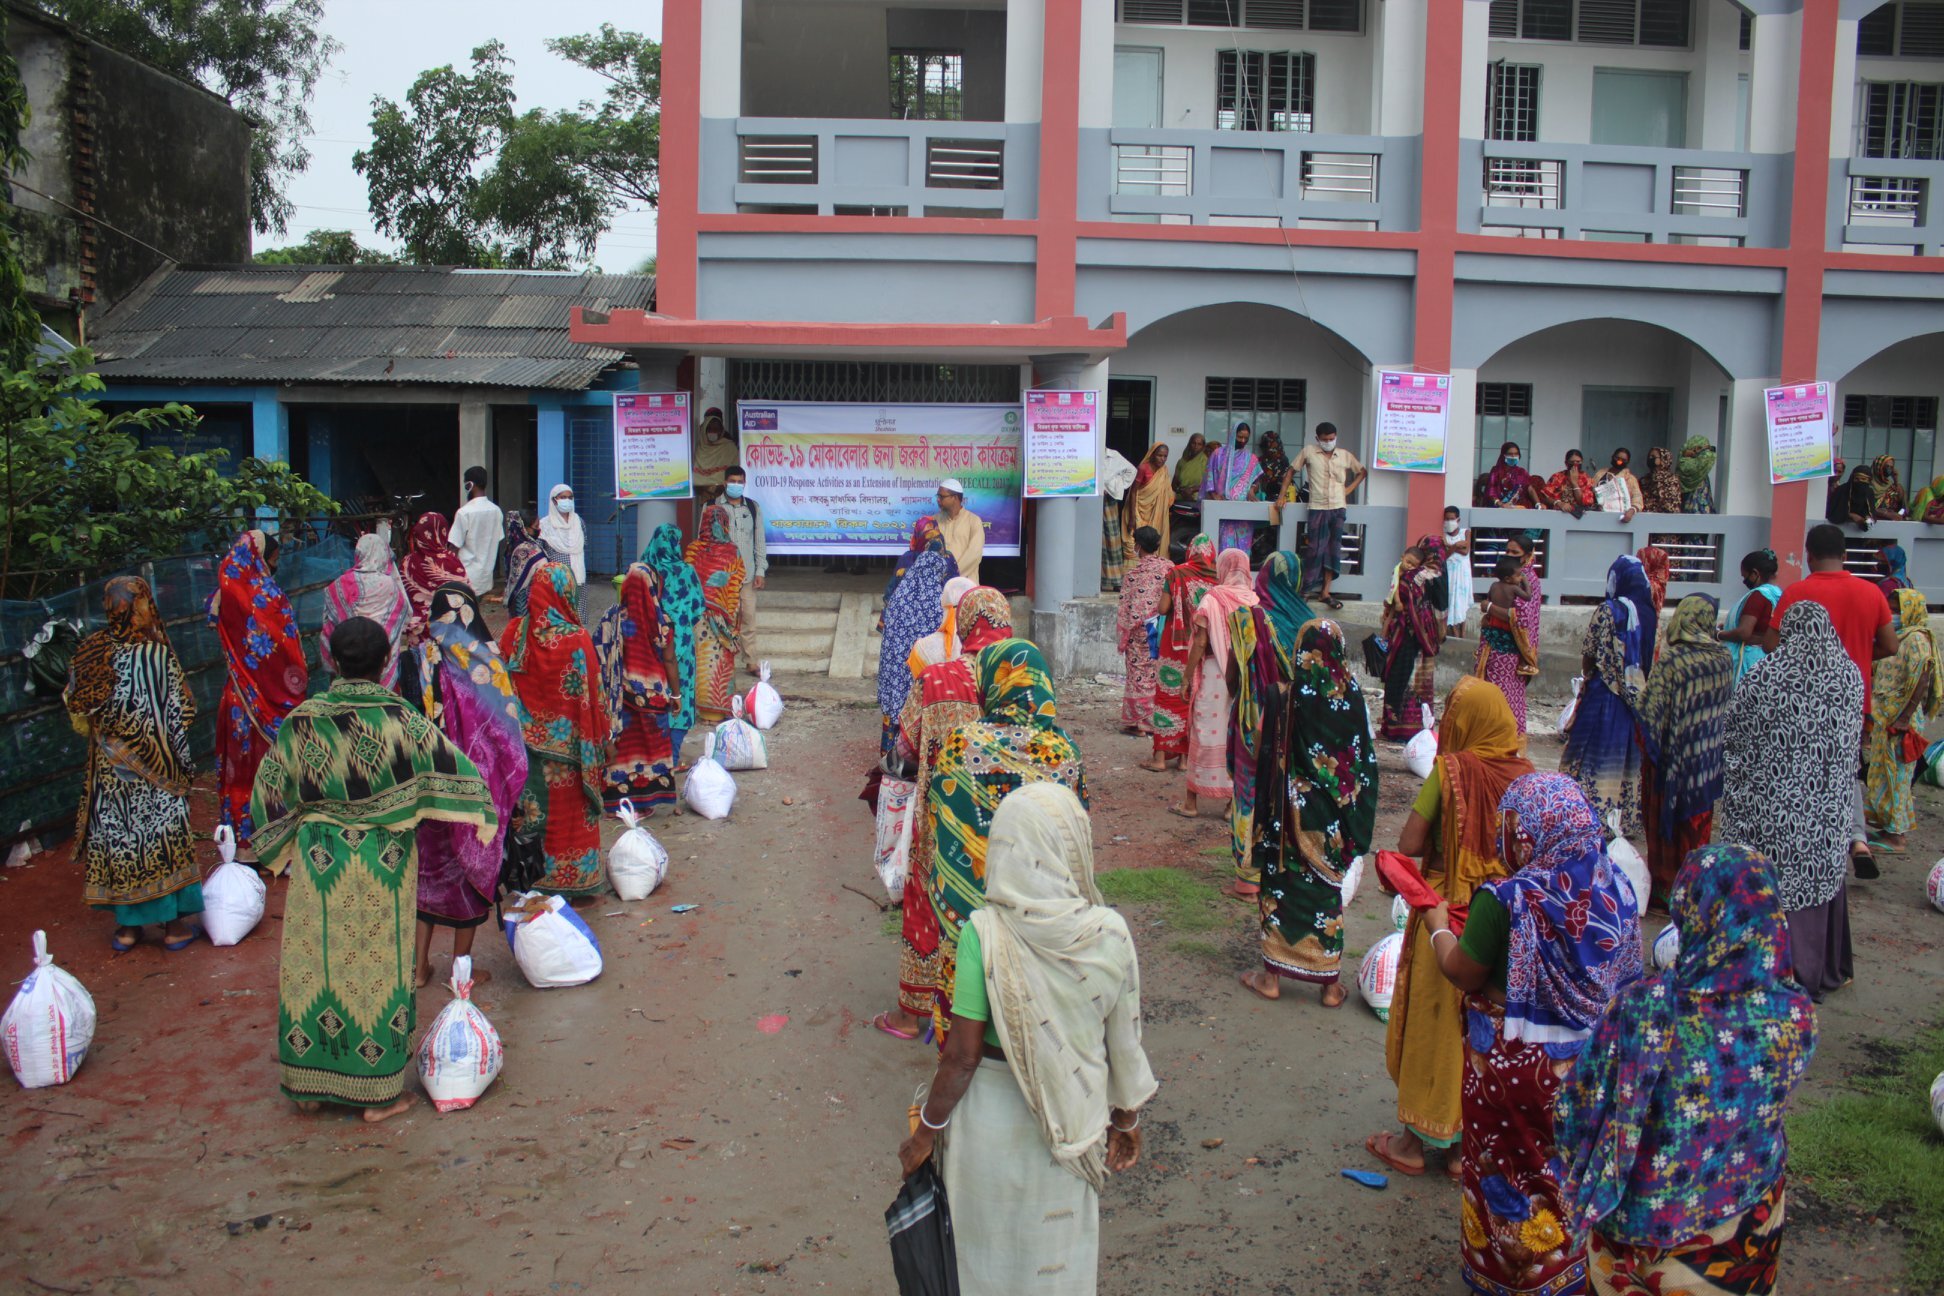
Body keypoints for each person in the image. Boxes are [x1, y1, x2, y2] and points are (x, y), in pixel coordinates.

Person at [897, 783, 1156, 1296]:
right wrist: (1125, 1118)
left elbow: (962, 1058)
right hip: (1071, 1124)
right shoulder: (1109, 933)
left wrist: (925, 1133)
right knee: (1055, 1265)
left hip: (988, 1128)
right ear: (1071, 847)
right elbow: (1123, 1043)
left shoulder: (984, 933)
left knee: (983, 1262)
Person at [252, 616, 498, 1123]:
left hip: (320, 864)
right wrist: (482, 811)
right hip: (382, 863)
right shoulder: (398, 718)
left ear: (331, 661)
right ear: (387, 660)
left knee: (314, 963)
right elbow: (453, 769)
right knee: (377, 969)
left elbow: (268, 792)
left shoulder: (303, 720)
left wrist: (277, 845)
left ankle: (309, 1084)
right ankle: (378, 1096)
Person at [1556, 845, 1815, 1296]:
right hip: (1746, 1225)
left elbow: (1576, 1112)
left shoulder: (1643, 1009)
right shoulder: (1795, 1013)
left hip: (1640, 1235)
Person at [1427, 773, 1642, 1296]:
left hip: (1508, 1070)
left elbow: (1463, 972)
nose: (1508, 834)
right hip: (1584, 1068)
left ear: (1531, 833)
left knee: (1501, 1169)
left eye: (1513, 825)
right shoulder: (1617, 892)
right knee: (1562, 1171)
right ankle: (1566, 1272)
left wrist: (1436, 924)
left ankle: (1505, 1274)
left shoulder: (1506, 899)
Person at [1368, 678, 1533, 1178]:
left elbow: (1411, 841)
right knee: (1481, 1030)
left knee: (1435, 1028)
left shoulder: (1451, 770)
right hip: (1502, 920)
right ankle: (1466, 1150)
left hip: (1446, 912)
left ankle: (1413, 1143)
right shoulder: (1526, 775)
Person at [927, 639, 1086, 1041]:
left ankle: (963, 1086)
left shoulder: (962, 746)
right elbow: (1076, 830)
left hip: (972, 921)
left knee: (965, 1032)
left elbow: (939, 821)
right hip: (1043, 918)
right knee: (1039, 1026)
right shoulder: (1063, 753)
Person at [877, 587, 1016, 1041]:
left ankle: (912, 1013)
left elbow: (906, 743)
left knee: (930, 905)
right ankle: (988, 1012)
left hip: (942, 820)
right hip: (1008, 826)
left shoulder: (937, 679)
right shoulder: (1021, 674)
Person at [1719, 601, 1864, 1000]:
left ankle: (1768, 965)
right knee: (1818, 877)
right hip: (1827, 808)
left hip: (1771, 809)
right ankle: (1818, 967)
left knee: (1773, 879)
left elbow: (1735, 737)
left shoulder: (1765, 676)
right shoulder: (1850, 677)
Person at [1236, 618, 1375, 1005]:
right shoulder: (1353, 697)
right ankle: (1330, 986)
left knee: (1281, 889)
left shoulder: (1285, 696)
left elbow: (1259, 740)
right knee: (1325, 891)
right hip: (1332, 819)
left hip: (1286, 815)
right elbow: (1364, 759)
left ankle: (1272, 979)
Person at [65, 576, 203, 953]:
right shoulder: (158, 655)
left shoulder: (92, 652)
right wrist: (178, 761)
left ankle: (127, 930)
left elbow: (77, 707)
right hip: (160, 772)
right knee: (163, 837)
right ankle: (174, 928)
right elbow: (181, 710)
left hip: (112, 772)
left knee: (122, 840)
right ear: (144, 607)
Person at [412, 583, 528, 986]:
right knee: (472, 873)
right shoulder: (487, 662)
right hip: (477, 787)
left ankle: (420, 966)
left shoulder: (424, 658)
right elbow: (507, 729)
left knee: (429, 871)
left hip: (429, 784)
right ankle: (461, 969)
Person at [1770, 523, 1897, 878]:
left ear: (1808, 555)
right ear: (1844, 556)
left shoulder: (1797, 592)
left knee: (1799, 770)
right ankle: (1857, 840)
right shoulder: (1871, 593)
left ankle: (1803, 843)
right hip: (1853, 702)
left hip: (1801, 702)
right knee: (1846, 770)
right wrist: (1853, 655)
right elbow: (1890, 645)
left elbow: (1770, 644)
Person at [499, 562, 608, 898]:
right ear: (566, 593)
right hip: (573, 755)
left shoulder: (514, 634)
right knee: (571, 818)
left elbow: (500, 688)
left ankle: (531, 880)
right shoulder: (578, 641)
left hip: (525, 754)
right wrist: (602, 740)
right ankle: (576, 881)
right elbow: (596, 695)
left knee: (533, 815)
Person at [209, 530, 307, 864]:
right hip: (269, 703)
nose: (275, 566)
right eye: (274, 560)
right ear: (260, 559)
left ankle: (241, 847)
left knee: (240, 773)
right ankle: (276, 845)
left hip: (237, 698)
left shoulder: (223, 595)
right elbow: (287, 649)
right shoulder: (269, 596)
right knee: (272, 772)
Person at [1222, 549, 1315, 899]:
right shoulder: (1310, 624)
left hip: (1255, 719)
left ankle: (1248, 878)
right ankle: (1288, 868)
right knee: (1288, 794)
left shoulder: (1250, 620)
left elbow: (1233, 672)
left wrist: (1242, 698)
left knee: (1249, 793)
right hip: (1297, 726)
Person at [1636, 595, 1733, 910]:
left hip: (1670, 762)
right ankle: (1693, 889)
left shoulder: (1674, 659)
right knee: (1697, 826)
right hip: (1705, 762)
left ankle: (1666, 889)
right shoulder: (1723, 658)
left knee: (1666, 827)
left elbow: (1648, 711)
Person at [1561, 554, 1654, 838]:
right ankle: (1623, 820)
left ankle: (1587, 814)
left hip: (1604, 695)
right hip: (1637, 699)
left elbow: (1590, 653)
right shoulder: (1650, 613)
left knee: (1592, 753)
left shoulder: (1608, 610)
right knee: (1627, 756)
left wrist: (1588, 677)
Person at [1175, 547, 1256, 818]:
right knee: (1235, 737)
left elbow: (1200, 641)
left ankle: (1191, 803)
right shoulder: (1254, 600)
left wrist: (1186, 678)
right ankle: (1232, 806)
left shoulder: (1213, 598)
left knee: (1204, 733)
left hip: (1213, 675)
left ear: (1222, 568)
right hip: (1242, 679)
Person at [596, 563, 683, 815]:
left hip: (621, 697)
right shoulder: (663, 623)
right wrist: (676, 695)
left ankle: (617, 804)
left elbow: (599, 655)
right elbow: (669, 660)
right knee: (651, 748)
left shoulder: (612, 618)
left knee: (624, 749)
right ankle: (646, 802)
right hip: (654, 697)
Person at [1865, 588, 1941, 854]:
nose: (1892, 615)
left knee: (1897, 776)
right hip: (1886, 717)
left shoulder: (1917, 639)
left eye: (1896, 610)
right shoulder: (1896, 636)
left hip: (1900, 719)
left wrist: (1905, 717)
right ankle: (1887, 827)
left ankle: (1897, 837)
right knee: (1884, 774)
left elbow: (1922, 676)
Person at [1141, 533, 1217, 773]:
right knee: (1190, 700)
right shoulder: (1217, 579)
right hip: (1201, 646)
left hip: (1173, 645)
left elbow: (1163, 609)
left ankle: (1160, 758)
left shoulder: (1176, 574)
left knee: (1167, 698)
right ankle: (1184, 760)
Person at [877, 546, 951, 758]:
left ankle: (889, 757)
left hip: (895, 672)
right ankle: (915, 760)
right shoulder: (937, 603)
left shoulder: (899, 598)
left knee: (895, 709)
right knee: (917, 713)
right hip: (920, 672)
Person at [644, 522, 705, 762]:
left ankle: (652, 754)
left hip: (649, 643)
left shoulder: (644, 571)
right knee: (681, 693)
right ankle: (674, 756)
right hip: (681, 643)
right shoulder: (686, 572)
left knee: (652, 693)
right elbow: (698, 608)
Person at [1290, 421, 1366, 609]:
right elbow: (1291, 471)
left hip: (1338, 507)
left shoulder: (1345, 455)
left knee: (1334, 549)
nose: (1329, 442)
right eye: (1325, 440)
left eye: (1332, 439)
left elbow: (1362, 472)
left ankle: (1325, 592)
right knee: (1315, 549)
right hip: (1317, 507)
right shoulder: (1308, 452)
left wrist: (1348, 489)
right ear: (1318, 439)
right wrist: (1283, 496)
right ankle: (1306, 590)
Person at [321, 533, 409, 691]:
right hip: (379, 665)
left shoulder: (338, 584)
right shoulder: (389, 584)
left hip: (346, 662)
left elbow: (328, 627)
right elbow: (402, 619)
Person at [1475, 532, 1543, 734]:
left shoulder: (1526, 579)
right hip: (1491, 646)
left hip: (1511, 651)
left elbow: (1522, 619)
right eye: (1508, 551)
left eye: (1516, 552)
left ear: (1529, 555)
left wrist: (1489, 608)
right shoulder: (1502, 578)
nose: (1511, 555)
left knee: (1505, 696)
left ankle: (1506, 743)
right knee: (1488, 694)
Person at [685, 504, 747, 725]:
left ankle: (701, 711)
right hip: (722, 620)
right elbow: (737, 582)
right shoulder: (733, 551)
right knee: (719, 665)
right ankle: (719, 710)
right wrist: (731, 619)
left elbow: (688, 582)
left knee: (701, 663)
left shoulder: (693, 549)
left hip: (698, 618)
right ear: (726, 523)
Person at [1378, 540, 1446, 741]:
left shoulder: (1418, 577)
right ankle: (1410, 729)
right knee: (1406, 680)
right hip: (1412, 636)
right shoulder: (1419, 578)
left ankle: (1394, 726)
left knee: (1398, 680)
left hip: (1404, 635)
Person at [1116, 525, 1170, 735]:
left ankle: (1138, 722)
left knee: (1137, 672)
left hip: (1136, 631)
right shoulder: (1168, 568)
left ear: (1138, 546)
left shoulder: (1132, 574)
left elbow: (1125, 606)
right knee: (1154, 672)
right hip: (1157, 628)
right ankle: (1151, 721)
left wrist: (1125, 631)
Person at [717, 465, 767, 671]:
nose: (736, 485)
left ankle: (750, 661)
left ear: (744, 483)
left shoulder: (753, 508)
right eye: (732, 481)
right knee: (722, 619)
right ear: (725, 483)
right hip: (722, 576)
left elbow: (759, 541)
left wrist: (760, 571)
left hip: (746, 575)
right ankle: (722, 662)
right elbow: (705, 541)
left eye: (740, 482)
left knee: (748, 618)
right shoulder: (712, 507)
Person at [402, 511, 470, 643]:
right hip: (450, 630)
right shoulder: (451, 560)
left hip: (418, 632)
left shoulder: (407, 562)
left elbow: (403, 597)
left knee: (421, 661)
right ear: (444, 532)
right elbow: (466, 594)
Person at [1721, 548, 1781, 686]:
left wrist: (1720, 634)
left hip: (1751, 661)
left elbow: (1744, 632)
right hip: (1770, 660)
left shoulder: (1758, 596)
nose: (1744, 581)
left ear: (1755, 574)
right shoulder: (1779, 595)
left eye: (1745, 576)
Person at [1201, 421, 1261, 555]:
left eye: (1246, 438)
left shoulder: (1251, 459)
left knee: (1242, 551)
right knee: (1224, 547)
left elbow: (1256, 481)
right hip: (1222, 510)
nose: (1243, 441)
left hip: (1243, 514)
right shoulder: (1218, 454)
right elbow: (1209, 477)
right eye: (1240, 437)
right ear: (1232, 434)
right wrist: (1213, 495)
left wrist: (1252, 490)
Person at [1481, 556, 1540, 678]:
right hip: (1507, 624)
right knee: (1519, 645)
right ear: (1508, 579)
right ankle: (1523, 664)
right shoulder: (1513, 588)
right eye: (1518, 575)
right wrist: (1525, 582)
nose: (1520, 577)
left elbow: (1489, 600)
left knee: (1493, 642)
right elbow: (1528, 597)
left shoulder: (1494, 585)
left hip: (1494, 621)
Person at [450, 465, 504, 596]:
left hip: (466, 575)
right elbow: (499, 539)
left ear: (469, 485)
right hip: (485, 577)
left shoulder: (464, 512)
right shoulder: (496, 510)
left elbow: (454, 546)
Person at [1123, 443, 1172, 563]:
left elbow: (1166, 493)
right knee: (1135, 541)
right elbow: (1133, 491)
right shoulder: (1143, 468)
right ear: (1152, 454)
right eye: (1159, 455)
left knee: (1153, 539)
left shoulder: (1164, 471)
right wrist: (1132, 517)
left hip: (1155, 512)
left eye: (1165, 456)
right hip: (1138, 510)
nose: (1162, 459)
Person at [934, 478, 984, 584]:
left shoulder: (973, 521)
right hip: (939, 584)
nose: (938, 500)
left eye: (941, 497)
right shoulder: (934, 521)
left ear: (955, 498)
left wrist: (951, 575)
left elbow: (974, 555)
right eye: (938, 496)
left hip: (966, 583)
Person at [538, 484, 587, 586]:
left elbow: (584, 543)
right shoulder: (544, 524)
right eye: (563, 497)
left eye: (570, 497)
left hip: (578, 574)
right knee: (558, 601)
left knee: (579, 601)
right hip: (556, 577)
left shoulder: (578, 521)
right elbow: (539, 551)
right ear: (554, 500)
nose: (567, 500)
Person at [501, 511, 548, 617]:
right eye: (536, 526)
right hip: (530, 602)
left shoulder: (513, 546)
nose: (538, 529)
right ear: (524, 528)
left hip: (516, 603)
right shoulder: (528, 549)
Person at [1476, 441, 1539, 509]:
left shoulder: (1521, 472)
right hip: (1500, 508)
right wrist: (1501, 504)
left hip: (1519, 508)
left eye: (1516, 454)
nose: (1513, 456)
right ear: (1503, 455)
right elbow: (1491, 492)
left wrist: (1538, 504)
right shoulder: (1496, 471)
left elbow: (1530, 489)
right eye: (1510, 454)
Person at [692, 407, 739, 497]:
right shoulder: (698, 448)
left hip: (725, 496)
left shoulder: (729, 447)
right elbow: (695, 479)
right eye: (710, 429)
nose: (713, 432)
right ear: (704, 430)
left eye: (716, 429)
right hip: (703, 497)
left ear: (721, 430)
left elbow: (735, 474)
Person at [1442, 506, 1473, 635]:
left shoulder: (1466, 532)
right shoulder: (1442, 535)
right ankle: (1455, 633)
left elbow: (1466, 551)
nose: (1449, 522)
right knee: (1451, 600)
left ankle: (1463, 632)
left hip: (1463, 573)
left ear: (1458, 519)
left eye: (1452, 519)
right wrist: (1455, 545)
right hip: (1449, 572)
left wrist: (1450, 546)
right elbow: (1445, 556)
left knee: (1462, 601)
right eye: (1447, 519)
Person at [1543, 448, 1596, 517]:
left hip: (1579, 516)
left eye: (1578, 462)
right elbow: (1545, 496)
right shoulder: (1557, 477)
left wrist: (1574, 483)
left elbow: (1582, 502)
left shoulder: (1586, 478)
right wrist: (1558, 503)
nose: (1575, 464)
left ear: (1582, 462)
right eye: (1572, 462)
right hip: (1557, 514)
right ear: (1566, 463)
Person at [1595, 448, 1643, 519]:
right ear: (1612, 457)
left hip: (1620, 517)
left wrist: (1632, 511)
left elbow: (1637, 499)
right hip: (1599, 515)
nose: (1619, 461)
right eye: (1617, 458)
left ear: (1628, 462)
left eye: (1623, 460)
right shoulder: (1600, 473)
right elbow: (1591, 490)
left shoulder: (1630, 479)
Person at [1677, 434, 1717, 513]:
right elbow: (1703, 460)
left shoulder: (1701, 463)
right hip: (1687, 501)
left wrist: (1704, 449)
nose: (1694, 452)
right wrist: (1703, 449)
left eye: (1698, 448)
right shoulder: (1684, 462)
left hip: (1701, 501)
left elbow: (1708, 456)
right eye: (1693, 449)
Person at [1639, 446, 1681, 513]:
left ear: (1663, 459)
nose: (1650, 459)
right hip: (1644, 517)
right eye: (1649, 456)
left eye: (1653, 457)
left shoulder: (1671, 479)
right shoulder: (1645, 479)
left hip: (1664, 518)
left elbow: (1671, 504)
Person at [1869, 453, 1908, 520]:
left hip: (1891, 525)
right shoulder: (1867, 485)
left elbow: (1903, 508)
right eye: (1887, 466)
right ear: (1878, 467)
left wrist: (1896, 480)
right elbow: (1865, 508)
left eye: (1891, 467)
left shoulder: (1892, 487)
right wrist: (1885, 514)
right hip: (1872, 523)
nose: (1889, 469)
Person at [1172, 432, 1208, 503]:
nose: (1196, 446)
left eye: (1199, 444)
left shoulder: (1206, 461)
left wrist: (1192, 489)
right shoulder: (1182, 461)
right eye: (1193, 443)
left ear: (1203, 446)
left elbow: (1208, 483)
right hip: (1180, 498)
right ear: (1189, 444)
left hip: (1197, 500)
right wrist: (1181, 490)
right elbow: (1173, 483)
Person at [1874, 542, 1913, 606]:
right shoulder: (1907, 581)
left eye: (1883, 561)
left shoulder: (1888, 584)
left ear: (1893, 563)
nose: (1878, 564)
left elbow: (1878, 606)